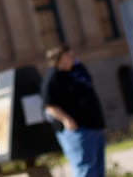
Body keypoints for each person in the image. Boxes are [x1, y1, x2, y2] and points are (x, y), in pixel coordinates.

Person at [41, 44, 106, 177]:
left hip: (94, 126)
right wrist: (67, 120)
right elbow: (49, 105)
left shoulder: (77, 70)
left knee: (98, 170)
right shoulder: (53, 76)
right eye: (67, 54)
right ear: (59, 58)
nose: (72, 55)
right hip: (78, 131)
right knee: (85, 169)